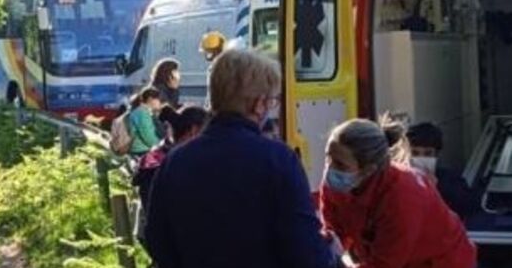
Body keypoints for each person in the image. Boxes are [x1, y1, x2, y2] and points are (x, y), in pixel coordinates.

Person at [145, 49, 341, 268]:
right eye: (271, 102)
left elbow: (157, 241)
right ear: (258, 104)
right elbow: (305, 251)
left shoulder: (175, 162)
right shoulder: (279, 160)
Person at [320, 118, 476, 268]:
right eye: (328, 158)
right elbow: (333, 235)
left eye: (340, 164)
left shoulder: (402, 198)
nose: (330, 168)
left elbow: (384, 264)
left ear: (368, 170)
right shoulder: (336, 185)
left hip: (442, 261)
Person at [406, 121, 480, 220]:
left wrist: (438, 188)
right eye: (415, 153)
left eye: (427, 154)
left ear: (436, 155)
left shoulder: (450, 179)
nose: (421, 158)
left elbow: (470, 206)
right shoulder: (400, 180)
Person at [128, 87, 163, 156]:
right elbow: (148, 136)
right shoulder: (142, 113)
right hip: (141, 151)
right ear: (150, 99)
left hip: (140, 150)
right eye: (158, 100)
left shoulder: (142, 111)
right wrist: (160, 145)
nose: (160, 102)